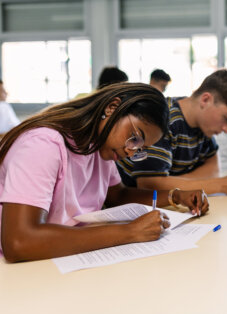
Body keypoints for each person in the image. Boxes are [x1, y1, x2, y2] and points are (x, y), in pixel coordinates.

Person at [0, 83, 209, 263]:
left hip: (63, 258)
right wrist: (128, 232)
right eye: (134, 138)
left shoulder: (98, 146)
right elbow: (19, 241)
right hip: (21, 272)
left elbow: (118, 195)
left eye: (140, 149)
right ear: (112, 108)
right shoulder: (43, 145)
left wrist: (175, 196)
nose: (130, 152)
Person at [116, 69, 227, 195]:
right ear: (205, 100)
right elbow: (149, 184)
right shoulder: (164, 118)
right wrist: (219, 185)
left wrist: (172, 183)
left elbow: (214, 169)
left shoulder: (204, 127)